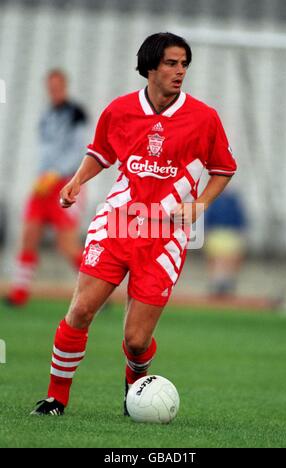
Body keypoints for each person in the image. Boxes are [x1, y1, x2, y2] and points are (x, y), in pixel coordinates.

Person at [30, 32, 237, 416]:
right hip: (116, 225)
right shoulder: (121, 110)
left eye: (184, 64)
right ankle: (56, 398)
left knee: (137, 341)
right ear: (150, 67)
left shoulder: (204, 118)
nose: (180, 71)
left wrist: (200, 205)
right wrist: (77, 180)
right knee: (80, 311)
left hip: (165, 238)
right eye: (172, 63)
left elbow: (224, 169)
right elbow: (101, 152)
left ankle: (134, 387)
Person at [5, 70, 88, 307]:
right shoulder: (47, 114)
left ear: (64, 86)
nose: (54, 90)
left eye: (58, 86)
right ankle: (19, 291)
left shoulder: (75, 114)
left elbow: (78, 150)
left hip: (65, 182)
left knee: (66, 244)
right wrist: (43, 175)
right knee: (29, 235)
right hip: (43, 183)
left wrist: (57, 173)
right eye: (51, 86)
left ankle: (96, 291)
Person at [204, 188, 247, 296]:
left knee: (230, 260)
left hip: (230, 233)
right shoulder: (215, 201)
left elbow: (240, 219)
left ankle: (227, 282)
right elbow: (209, 219)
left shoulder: (234, 201)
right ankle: (217, 282)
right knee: (217, 260)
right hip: (217, 233)